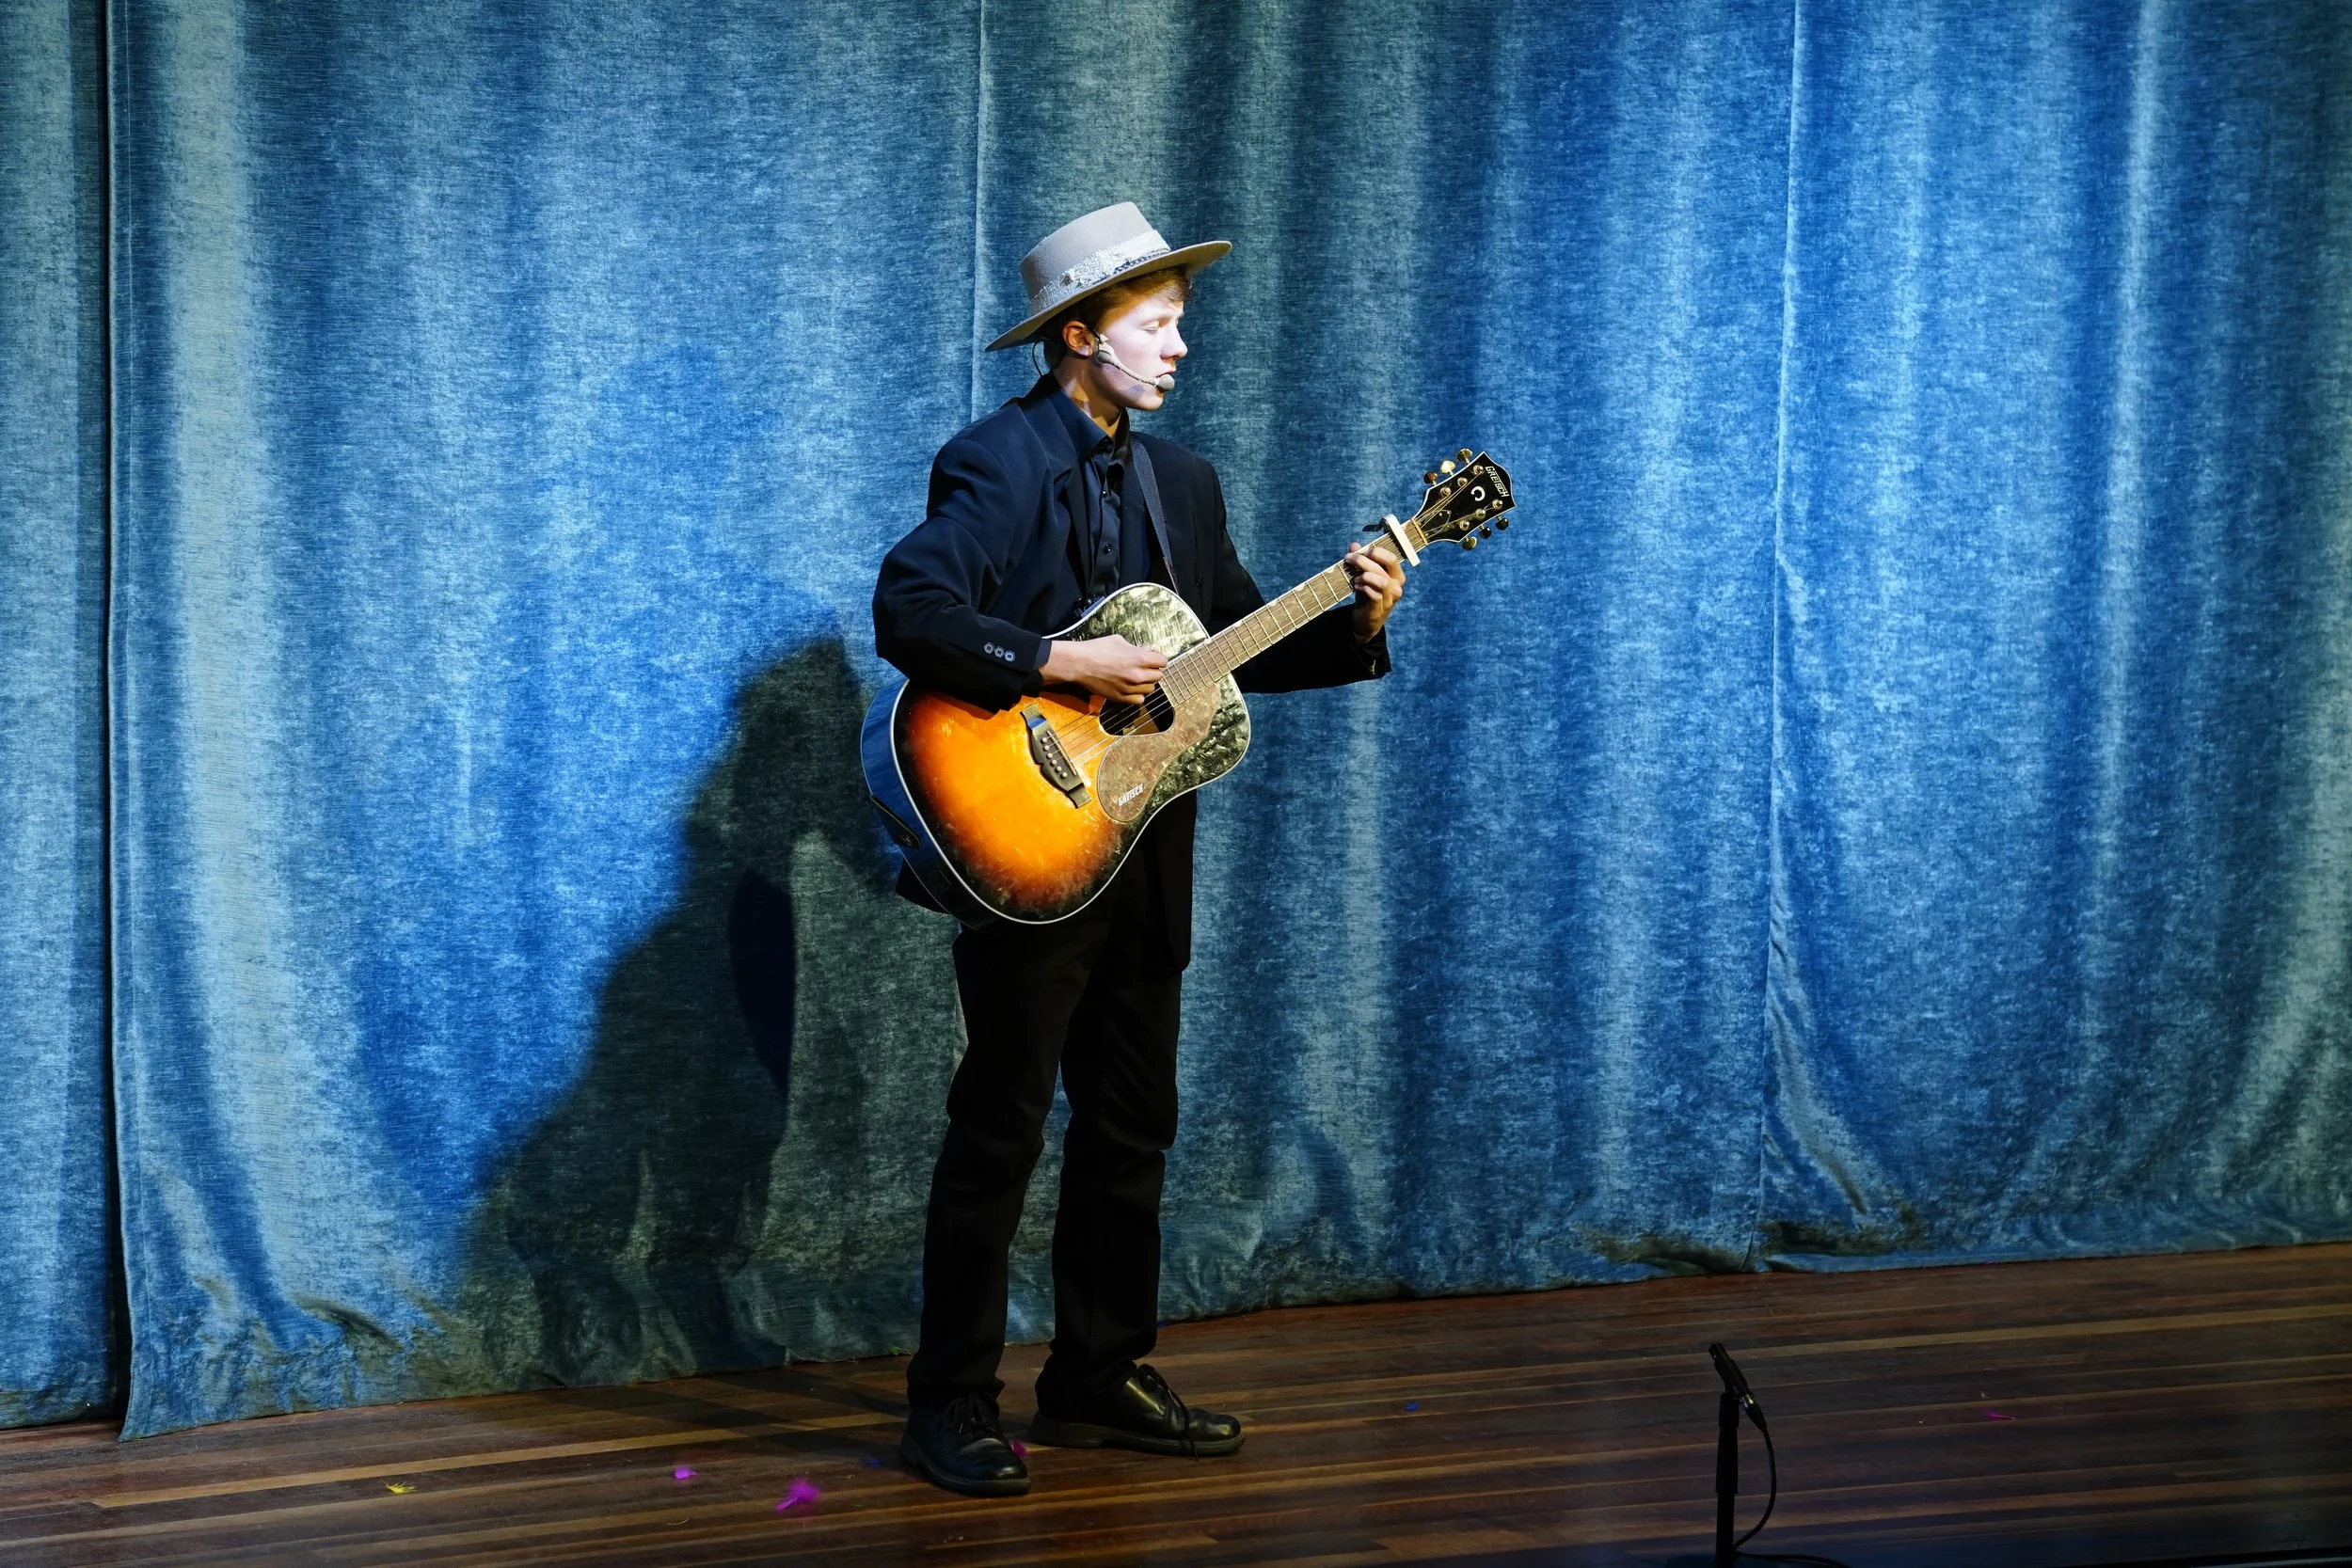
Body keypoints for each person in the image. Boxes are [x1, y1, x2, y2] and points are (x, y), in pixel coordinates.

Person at [871, 201, 1406, 1497]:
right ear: (1078, 335)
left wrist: (1357, 612)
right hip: (1030, 848)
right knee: (998, 1129)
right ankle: (947, 1400)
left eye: (1180, 327)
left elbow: (1226, 656)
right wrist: (1063, 659)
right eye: (1156, 327)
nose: (1179, 350)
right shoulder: (995, 463)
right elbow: (911, 606)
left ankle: (1097, 1373)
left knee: (1130, 1126)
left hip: (1147, 856)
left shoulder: (1186, 484)